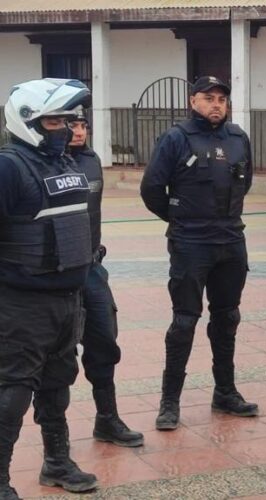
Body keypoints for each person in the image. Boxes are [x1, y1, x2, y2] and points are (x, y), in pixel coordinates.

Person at [140, 76, 257, 431]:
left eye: (222, 98)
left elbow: (245, 182)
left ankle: (225, 392)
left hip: (230, 240)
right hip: (191, 243)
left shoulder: (238, 139)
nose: (216, 104)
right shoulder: (176, 138)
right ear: (193, 101)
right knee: (184, 322)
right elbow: (152, 189)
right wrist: (181, 219)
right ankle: (169, 402)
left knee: (227, 317)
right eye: (209, 98)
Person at [0, 78, 98, 498]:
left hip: (66, 301)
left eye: (69, 119)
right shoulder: (9, 166)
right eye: (55, 120)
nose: (66, 128)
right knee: (12, 393)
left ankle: (56, 462)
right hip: (21, 305)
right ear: (28, 122)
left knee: (58, 385)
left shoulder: (63, 164)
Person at [67, 112, 144, 447]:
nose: (79, 131)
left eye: (83, 125)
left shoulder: (92, 160)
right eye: (71, 125)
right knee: (53, 360)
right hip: (57, 279)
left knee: (104, 344)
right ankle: (55, 446)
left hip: (92, 270)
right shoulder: (38, 165)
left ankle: (107, 420)